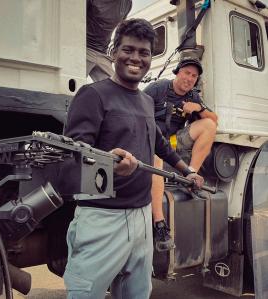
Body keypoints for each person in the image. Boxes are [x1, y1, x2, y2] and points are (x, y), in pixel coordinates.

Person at [61, 19, 204, 299]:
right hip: (103, 218)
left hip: (141, 217)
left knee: (136, 294)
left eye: (144, 52)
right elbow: (72, 156)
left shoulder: (146, 101)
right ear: (114, 52)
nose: (136, 58)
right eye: (128, 49)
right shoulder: (93, 95)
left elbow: (159, 142)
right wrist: (108, 162)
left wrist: (186, 170)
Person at [144, 57, 218, 252]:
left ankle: (191, 175)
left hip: (173, 141)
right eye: (187, 73)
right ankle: (159, 224)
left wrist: (198, 108)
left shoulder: (193, 96)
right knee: (157, 157)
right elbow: (135, 112)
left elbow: (214, 120)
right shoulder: (157, 88)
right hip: (149, 141)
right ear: (177, 72)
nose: (190, 78)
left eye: (194, 76)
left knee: (209, 125)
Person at [86, 0, 132, 81]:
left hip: (102, 52)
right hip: (84, 49)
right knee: (71, 85)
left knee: (116, 89)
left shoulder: (127, 3)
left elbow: (121, 29)